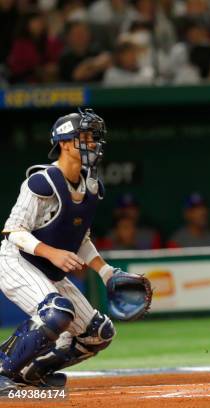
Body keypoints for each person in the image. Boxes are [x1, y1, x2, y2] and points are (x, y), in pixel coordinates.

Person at [0, 109, 122, 392]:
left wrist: (105, 272)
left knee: (97, 334)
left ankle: (29, 373)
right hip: (15, 260)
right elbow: (13, 230)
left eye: (94, 138)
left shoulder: (92, 187)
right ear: (65, 143)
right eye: (85, 137)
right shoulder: (41, 182)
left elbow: (80, 238)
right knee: (56, 311)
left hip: (46, 268)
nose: (92, 143)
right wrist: (52, 252)